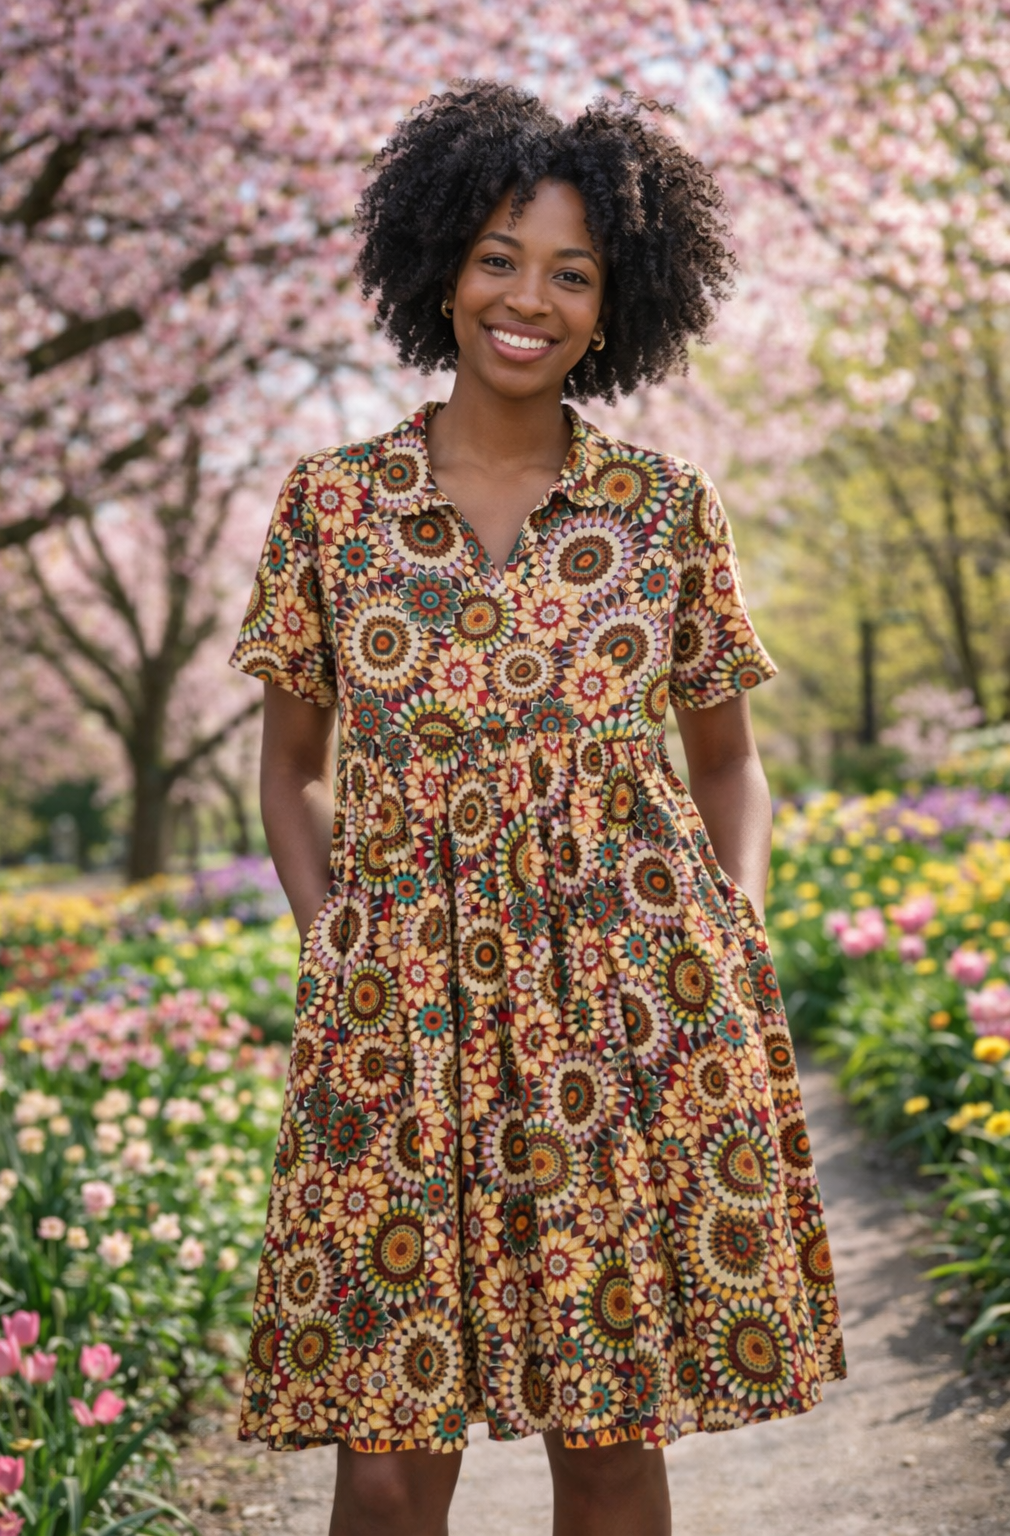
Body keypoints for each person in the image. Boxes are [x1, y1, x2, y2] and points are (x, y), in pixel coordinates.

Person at [228, 80, 846, 1536]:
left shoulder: (665, 510)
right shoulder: (333, 505)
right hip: (400, 1018)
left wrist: (734, 925)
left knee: (609, 1441)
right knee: (383, 1467)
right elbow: (289, 763)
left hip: (628, 1008)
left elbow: (728, 761)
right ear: (437, 261)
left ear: (618, 304)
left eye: (574, 273)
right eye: (501, 256)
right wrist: (337, 947)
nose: (531, 299)